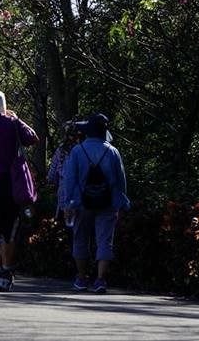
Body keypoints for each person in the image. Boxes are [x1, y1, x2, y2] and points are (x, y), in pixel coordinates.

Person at [0, 87, 40, 292]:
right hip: (11, 182)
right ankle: (7, 270)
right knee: (9, 228)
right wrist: (16, 118)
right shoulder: (11, 122)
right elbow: (32, 138)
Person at [63, 113, 129, 294]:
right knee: (104, 241)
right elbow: (120, 181)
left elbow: (70, 180)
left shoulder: (77, 151)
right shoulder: (113, 151)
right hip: (107, 203)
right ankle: (100, 280)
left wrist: (67, 204)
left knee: (80, 239)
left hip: (81, 202)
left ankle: (81, 278)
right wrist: (121, 204)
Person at [48, 121, 83, 222]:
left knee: (67, 220)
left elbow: (52, 171)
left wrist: (50, 180)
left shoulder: (61, 150)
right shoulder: (82, 149)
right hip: (80, 190)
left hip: (65, 189)